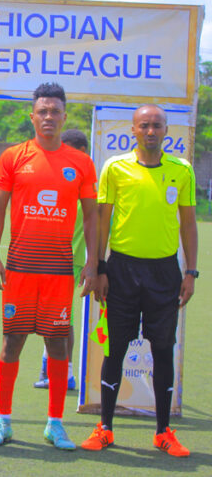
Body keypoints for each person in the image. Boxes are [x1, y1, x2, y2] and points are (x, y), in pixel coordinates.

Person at [0, 83, 97, 451]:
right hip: (20, 267)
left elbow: (92, 217)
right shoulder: (13, 156)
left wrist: (93, 262)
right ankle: (3, 421)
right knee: (12, 341)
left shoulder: (81, 162)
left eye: (55, 111)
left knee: (57, 343)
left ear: (64, 116)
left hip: (59, 270)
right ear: (32, 116)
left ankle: (55, 424)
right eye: (42, 111)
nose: (48, 117)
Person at [81, 105, 198, 457]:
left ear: (166, 130)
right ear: (132, 130)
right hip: (121, 271)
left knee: (162, 349)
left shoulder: (182, 170)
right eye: (144, 125)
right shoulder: (115, 167)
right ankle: (105, 428)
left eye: (157, 125)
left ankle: (163, 432)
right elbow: (102, 220)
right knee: (115, 349)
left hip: (165, 273)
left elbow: (188, 224)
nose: (150, 131)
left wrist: (190, 272)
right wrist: (100, 268)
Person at [34, 129, 89, 390]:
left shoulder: (85, 181)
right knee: (51, 318)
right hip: (47, 259)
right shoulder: (62, 177)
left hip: (67, 262)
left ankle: (65, 374)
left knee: (61, 320)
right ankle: (50, 370)